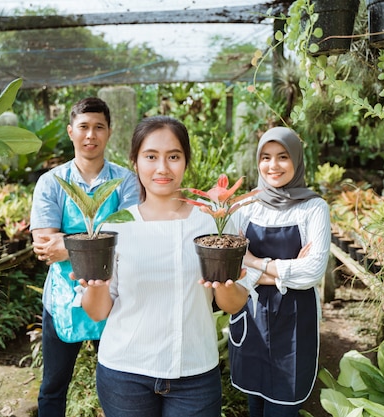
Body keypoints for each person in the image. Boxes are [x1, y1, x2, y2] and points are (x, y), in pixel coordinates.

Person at [77, 115, 249, 417]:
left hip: (195, 372)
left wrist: (228, 285)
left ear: (185, 161)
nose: (162, 168)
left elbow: (232, 305)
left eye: (173, 157)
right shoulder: (117, 225)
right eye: (151, 156)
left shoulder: (213, 223)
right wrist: (94, 285)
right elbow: (98, 311)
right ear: (135, 162)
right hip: (124, 372)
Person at [29, 97, 139, 417]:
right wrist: (102, 243)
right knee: (53, 385)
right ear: (71, 132)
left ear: (109, 132)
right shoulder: (52, 182)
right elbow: (46, 245)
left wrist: (69, 245)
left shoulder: (125, 181)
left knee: (121, 383)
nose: (91, 135)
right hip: (63, 296)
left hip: (114, 294)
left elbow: (133, 236)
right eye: (84, 127)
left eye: (98, 127)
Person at [228, 126, 331, 417]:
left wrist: (255, 262)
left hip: (295, 320)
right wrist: (284, 272)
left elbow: (312, 272)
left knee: (283, 408)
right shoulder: (245, 206)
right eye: (266, 157)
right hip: (250, 316)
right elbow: (231, 267)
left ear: (297, 160)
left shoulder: (313, 207)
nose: (273, 166)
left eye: (283, 156)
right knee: (255, 403)